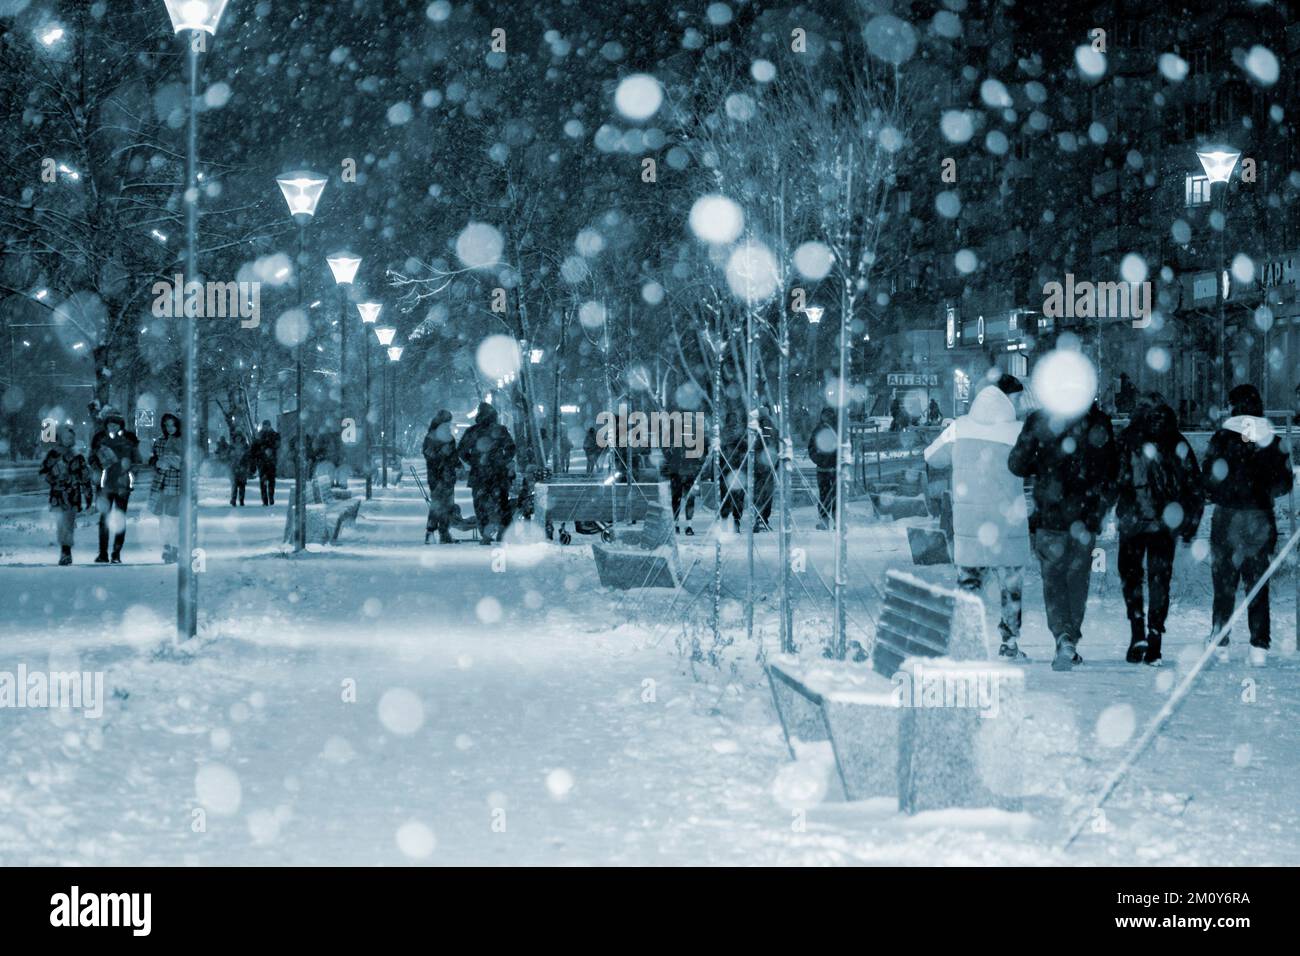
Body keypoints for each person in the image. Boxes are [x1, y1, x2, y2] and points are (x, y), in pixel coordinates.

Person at [1008, 397, 1119, 671]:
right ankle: (1070, 638)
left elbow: (1017, 464)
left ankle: (1062, 635)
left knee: (1053, 579)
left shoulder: (1039, 420)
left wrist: (1043, 464)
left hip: (1051, 514)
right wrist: (1101, 506)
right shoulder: (1098, 422)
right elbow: (1113, 471)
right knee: (1077, 579)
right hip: (1085, 516)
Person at [925, 379, 1031, 659]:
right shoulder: (1018, 431)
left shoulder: (959, 427)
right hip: (1007, 523)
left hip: (970, 524)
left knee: (969, 582)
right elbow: (1035, 464)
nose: (1020, 405)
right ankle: (1009, 641)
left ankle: (965, 640)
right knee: (1010, 586)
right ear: (1006, 399)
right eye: (1017, 399)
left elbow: (931, 457)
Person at [1201, 384, 1294, 666]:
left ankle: (1220, 642)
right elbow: (1285, 482)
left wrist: (1221, 492)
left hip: (1228, 516)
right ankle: (1259, 645)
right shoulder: (1272, 440)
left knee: (1224, 583)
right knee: (1258, 582)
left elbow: (1208, 478)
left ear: (1234, 406)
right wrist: (1263, 491)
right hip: (1259, 517)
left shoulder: (1221, 439)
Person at [1115, 393, 1203, 666]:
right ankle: (1155, 638)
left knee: (1131, 576)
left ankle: (1137, 632)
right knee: (1159, 579)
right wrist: (1190, 524)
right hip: (1166, 522)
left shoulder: (1127, 440)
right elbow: (1194, 484)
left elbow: (1114, 477)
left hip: (1132, 521)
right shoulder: (1176, 440)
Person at [458, 402, 516, 544]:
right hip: (499, 474)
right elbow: (511, 448)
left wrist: (473, 461)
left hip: (479, 475)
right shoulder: (500, 430)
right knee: (502, 503)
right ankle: (503, 531)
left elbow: (461, 451)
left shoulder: (472, 431)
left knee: (481, 505)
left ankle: (486, 533)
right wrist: (502, 460)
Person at [89, 409, 142, 564]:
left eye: (116, 424)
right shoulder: (100, 441)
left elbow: (137, 461)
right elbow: (91, 459)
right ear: (106, 425)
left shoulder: (128, 442)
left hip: (122, 485)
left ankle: (116, 553)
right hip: (105, 484)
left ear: (120, 425)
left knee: (119, 519)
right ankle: (103, 553)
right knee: (104, 519)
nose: (113, 426)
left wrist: (130, 472)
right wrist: (98, 468)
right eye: (110, 424)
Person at [41, 424, 95, 566]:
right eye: (65, 437)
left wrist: (88, 496)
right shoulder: (53, 454)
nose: (68, 440)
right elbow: (43, 471)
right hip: (57, 495)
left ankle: (66, 552)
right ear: (60, 438)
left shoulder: (77, 456)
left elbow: (85, 478)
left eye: (71, 438)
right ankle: (64, 550)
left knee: (68, 524)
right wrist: (52, 475)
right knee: (61, 524)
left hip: (72, 495)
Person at [148, 413, 184, 564]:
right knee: (162, 518)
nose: (170, 428)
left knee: (173, 517)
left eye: (172, 425)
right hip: (161, 483)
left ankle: (174, 548)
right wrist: (156, 463)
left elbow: (187, 463)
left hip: (176, 483)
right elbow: (153, 459)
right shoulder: (159, 442)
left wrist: (175, 462)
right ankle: (167, 547)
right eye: (167, 425)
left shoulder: (183, 441)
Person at [422, 410, 459, 544]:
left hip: (446, 476)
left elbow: (454, 456)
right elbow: (429, 455)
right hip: (437, 476)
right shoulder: (432, 438)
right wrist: (442, 454)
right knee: (438, 504)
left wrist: (458, 464)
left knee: (446, 504)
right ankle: (432, 531)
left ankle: (442, 532)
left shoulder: (448, 438)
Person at [661, 423, 703, 536]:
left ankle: (682, 525)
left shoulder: (678, 441)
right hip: (681, 473)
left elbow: (698, 457)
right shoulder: (676, 441)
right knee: (681, 500)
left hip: (684, 473)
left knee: (682, 500)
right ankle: (684, 525)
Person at [808, 407, 839, 530]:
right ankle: (828, 521)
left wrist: (822, 460)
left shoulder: (834, 429)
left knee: (831, 496)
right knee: (828, 496)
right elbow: (811, 448)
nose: (827, 417)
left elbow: (811, 448)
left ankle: (833, 521)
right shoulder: (822, 430)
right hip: (827, 469)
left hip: (831, 469)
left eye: (828, 415)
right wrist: (821, 460)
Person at [252, 420, 280, 506]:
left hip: (270, 461)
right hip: (262, 461)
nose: (265, 427)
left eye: (267, 426)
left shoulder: (274, 435)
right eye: (264, 426)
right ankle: (265, 500)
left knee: (271, 481)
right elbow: (254, 447)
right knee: (264, 481)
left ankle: (270, 497)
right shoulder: (259, 435)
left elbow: (277, 445)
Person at [228, 431, 251, 507]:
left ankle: (241, 500)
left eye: (239, 437)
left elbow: (248, 457)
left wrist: (245, 465)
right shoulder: (231, 447)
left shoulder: (245, 446)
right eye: (237, 437)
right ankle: (233, 499)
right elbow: (228, 457)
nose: (238, 439)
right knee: (234, 485)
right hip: (234, 467)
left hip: (243, 468)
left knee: (242, 485)